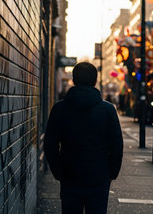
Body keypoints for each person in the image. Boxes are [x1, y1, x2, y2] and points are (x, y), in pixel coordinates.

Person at [44, 62, 124, 214]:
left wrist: (59, 172)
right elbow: (116, 145)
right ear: (95, 81)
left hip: (70, 174)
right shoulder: (107, 110)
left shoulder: (59, 109)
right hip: (98, 176)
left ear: (73, 80)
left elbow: (50, 145)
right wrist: (111, 173)